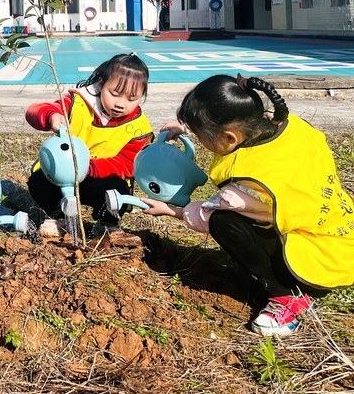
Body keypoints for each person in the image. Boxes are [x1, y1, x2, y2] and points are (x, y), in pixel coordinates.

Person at [142, 74, 354, 337]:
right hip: (341, 235)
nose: (201, 140)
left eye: (203, 135)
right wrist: (187, 128)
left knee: (223, 222)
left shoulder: (249, 186)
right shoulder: (289, 126)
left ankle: (289, 296)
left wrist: (171, 210)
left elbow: (205, 215)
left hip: (315, 262)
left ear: (230, 138)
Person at [25, 53, 153, 237]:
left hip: (101, 178)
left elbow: (127, 163)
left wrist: (89, 168)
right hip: (62, 175)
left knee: (118, 193)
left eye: (131, 99)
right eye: (114, 94)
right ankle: (58, 217)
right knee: (39, 182)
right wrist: (51, 115)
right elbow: (34, 111)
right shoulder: (78, 103)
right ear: (100, 85)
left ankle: (107, 223)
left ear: (142, 97)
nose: (120, 104)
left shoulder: (139, 128)